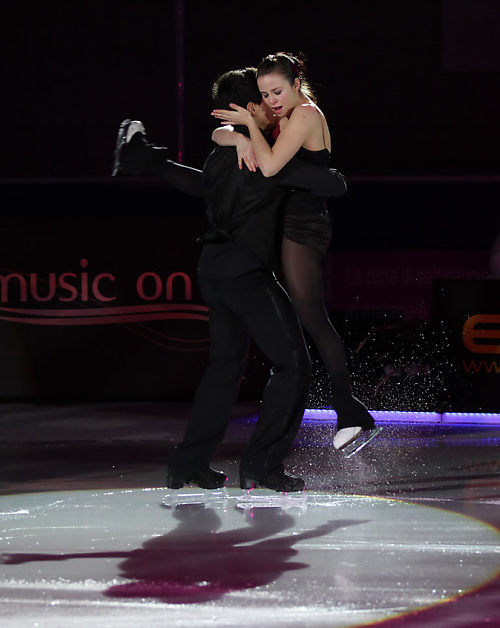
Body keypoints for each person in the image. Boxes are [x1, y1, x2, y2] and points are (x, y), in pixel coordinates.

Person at [114, 67, 348, 493]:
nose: (275, 112)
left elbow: (203, 185)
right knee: (294, 365)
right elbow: (329, 183)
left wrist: (158, 159)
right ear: (252, 108)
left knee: (223, 369)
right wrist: (327, 175)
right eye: (265, 102)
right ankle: (261, 466)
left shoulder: (224, 152)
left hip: (214, 268)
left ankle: (188, 465)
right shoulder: (264, 158)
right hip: (244, 274)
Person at [211, 52, 378, 454]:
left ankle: (348, 407)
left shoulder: (303, 114)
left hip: (305, 225)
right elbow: (218, 133)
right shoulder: (277, 114)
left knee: (310, 314)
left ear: (296, 82)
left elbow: (268, 168)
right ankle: (346, 408)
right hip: (284, 225)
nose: (272, 100)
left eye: (278, 91)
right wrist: (236, 136)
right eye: (265, 94)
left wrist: (250, 127)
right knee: (296, 315)